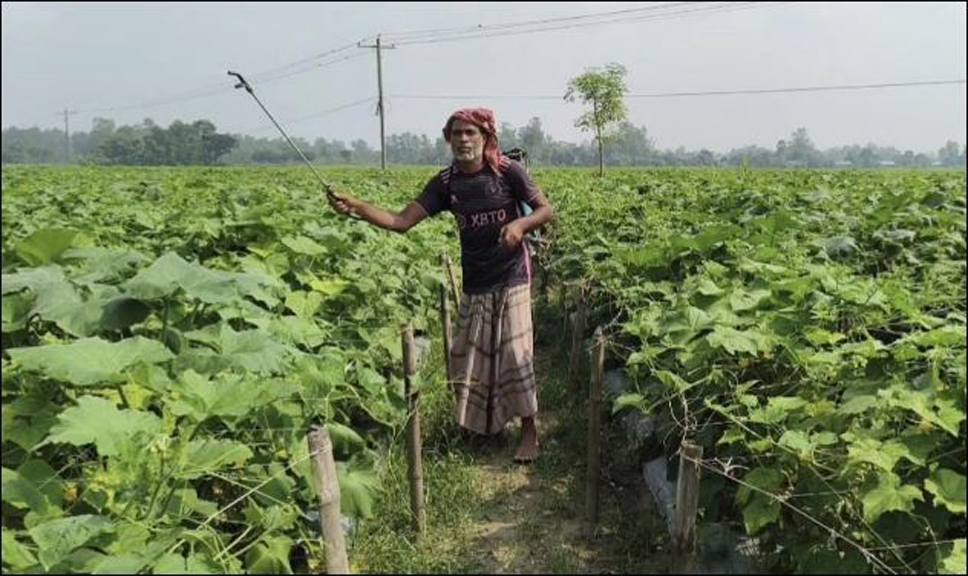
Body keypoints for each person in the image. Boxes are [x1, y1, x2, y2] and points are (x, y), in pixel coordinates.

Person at [328, 108, 554, 463]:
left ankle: (529, 431)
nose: (463, 140)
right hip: (476, 278)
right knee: (468, 355)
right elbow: (401, 221)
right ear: (449, 140)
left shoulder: (509, 172)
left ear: (486, 138)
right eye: (457, 134)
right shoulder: (446, 183)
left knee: (514, 353)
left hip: (513, 273)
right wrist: (356, 206)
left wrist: (519, 227)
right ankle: (485, 427)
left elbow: (545, 210)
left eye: (470, 133)